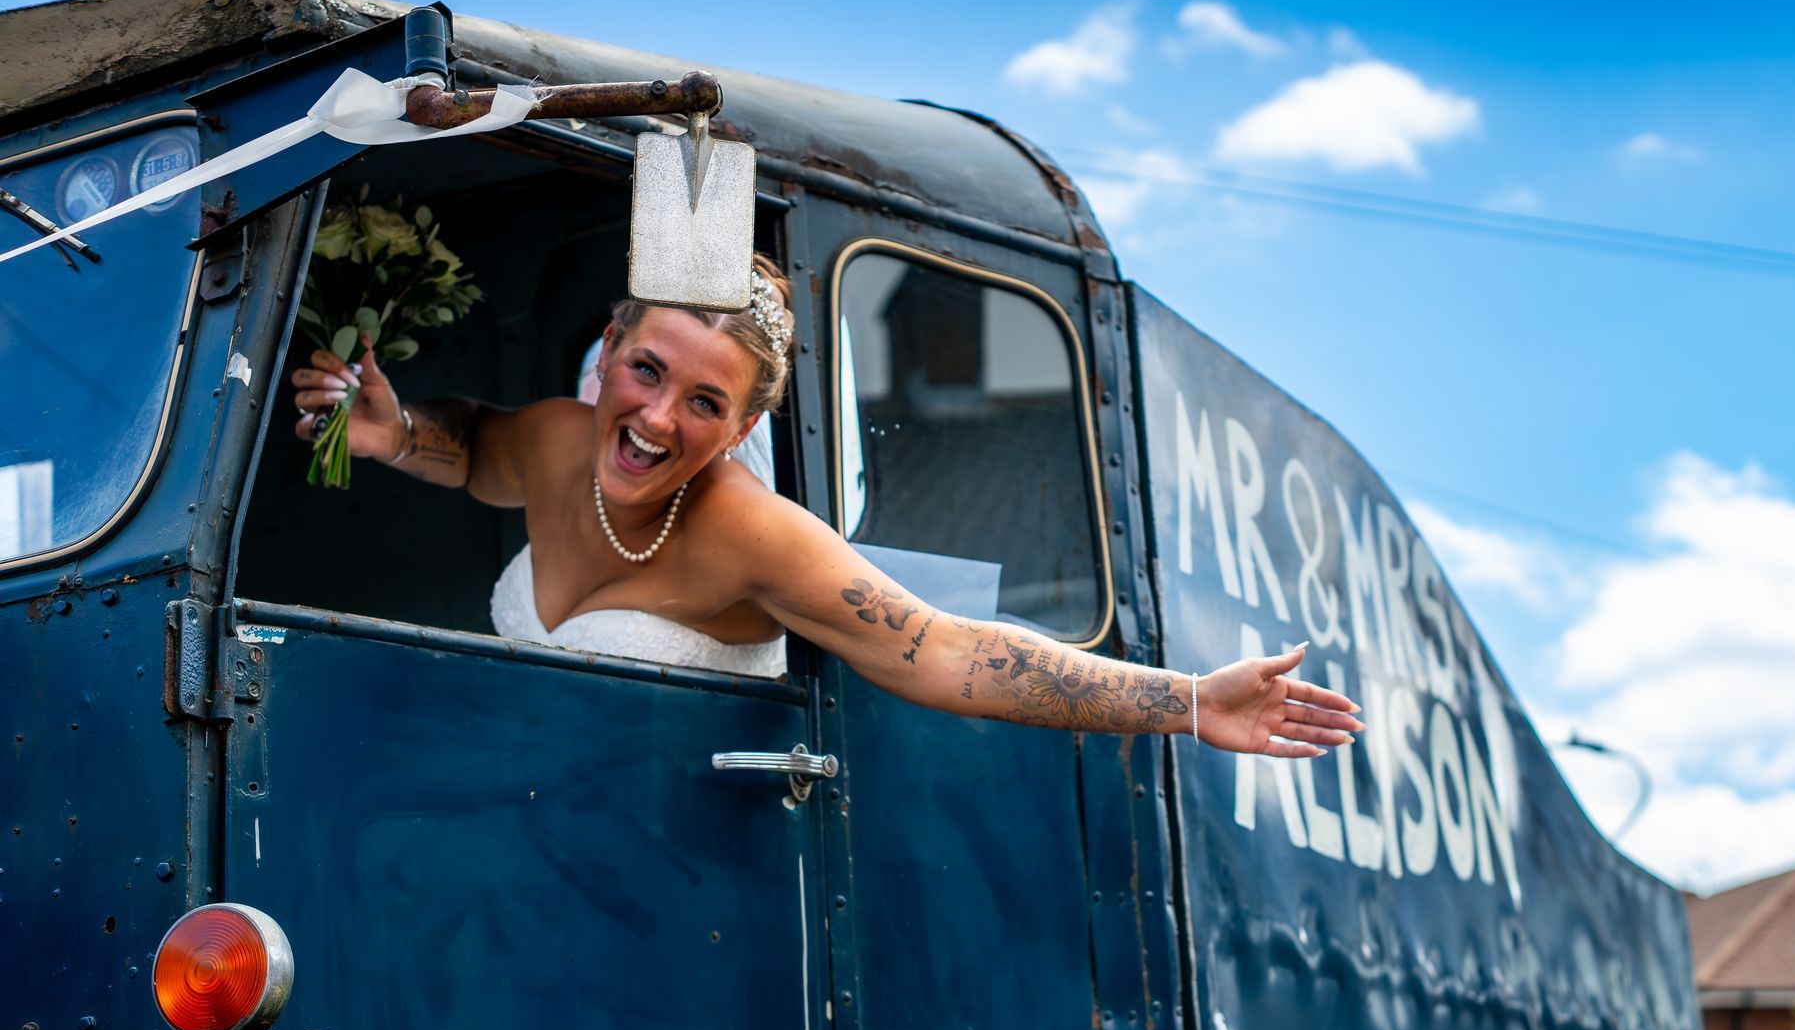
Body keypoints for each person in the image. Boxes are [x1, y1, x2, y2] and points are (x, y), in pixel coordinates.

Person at [288, 256, 1363, 758]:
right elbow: (479, 450)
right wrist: (395, 433)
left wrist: (1187, 700)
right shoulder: (560, 438)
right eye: (647, 370)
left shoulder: (745, 530)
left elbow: (948, 651)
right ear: (608, 350)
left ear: (742, 426)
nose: (657, 419)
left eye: (704, 402)